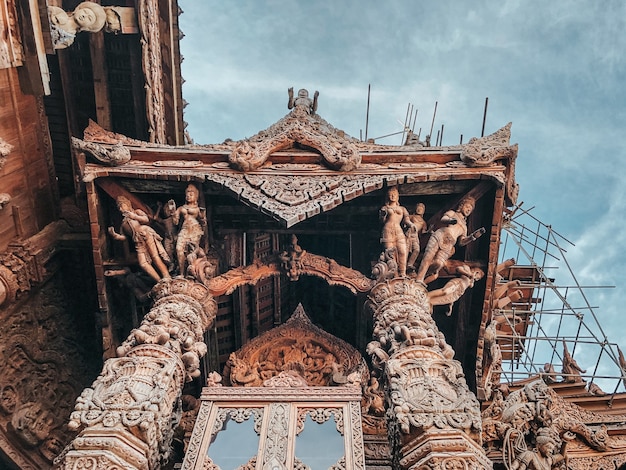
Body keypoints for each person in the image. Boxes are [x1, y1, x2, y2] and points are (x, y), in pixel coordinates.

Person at [415, 196, 485, 284]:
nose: (468, 210)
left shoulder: (464, 227)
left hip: (449, 244)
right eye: (467, 207)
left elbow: (461, 242)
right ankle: (419, 278)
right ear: (462, 205)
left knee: (438, 263)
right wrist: (450, 221)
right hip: (441, 234)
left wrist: (472, 237)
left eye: (470, 210)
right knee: (428, 256)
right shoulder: (453, 213)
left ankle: (424, 275)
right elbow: (443, 219)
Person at [108, 196, 171, 282]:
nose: (120, 208)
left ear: (127, 204)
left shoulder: (136, 212)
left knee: (155, 256)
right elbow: (124, 237)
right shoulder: (123, 224)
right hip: (137, 241)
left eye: (122, 205)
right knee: (143, 263)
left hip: (144, 233)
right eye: (119, 207)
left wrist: (134, 216)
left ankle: (166, 276)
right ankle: (159, 280)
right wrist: (115, 235)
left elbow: (146, 219)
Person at [170, 184, 206, 276]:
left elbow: (203, 223)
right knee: (179, 249)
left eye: (191, 194)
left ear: (196, 196)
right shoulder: (181, 208)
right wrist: (173, 212)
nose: (189, 196)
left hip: (195, 229)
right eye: (187, 194)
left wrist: (202, 217)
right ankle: (181, 273)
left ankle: (191, 272)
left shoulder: (197, 209)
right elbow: (175, 222)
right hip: (184, 229)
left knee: (191, 250)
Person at [379, 187, 415, 277]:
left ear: (398, 196)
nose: (393, 195)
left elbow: (406, 220)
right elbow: (382, 221)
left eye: (394, 194)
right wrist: (383, 215)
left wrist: (411, 225)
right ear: (387, 196)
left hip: (398, 230)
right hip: (387, 231)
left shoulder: (402, 209)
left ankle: (403, 273)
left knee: (403, 251)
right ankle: (394, 275)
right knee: (390, 253)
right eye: (391, 194)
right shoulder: (385, 207)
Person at [406, 202, 428, 272]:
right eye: (418, 207)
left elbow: (423, 232)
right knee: (406, 249)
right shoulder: (411, 216)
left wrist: (429, 231)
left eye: (421, 208)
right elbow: (405, 222)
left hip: (415, 236)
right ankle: (403, 264)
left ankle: (410, 264)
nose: (419, 209)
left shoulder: (424, 222)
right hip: (409, 234)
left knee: (416, 250)